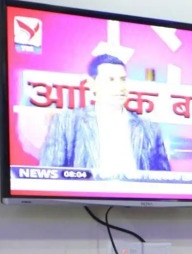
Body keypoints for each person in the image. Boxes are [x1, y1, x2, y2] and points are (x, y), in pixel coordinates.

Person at [39, 54, 171, 176]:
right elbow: (49, 175)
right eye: (110, 80)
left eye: (123, 80)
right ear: (92, 84)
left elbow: (164, 180)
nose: (120, 87)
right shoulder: (67, 122)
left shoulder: (149, 128)